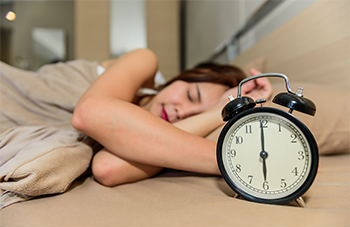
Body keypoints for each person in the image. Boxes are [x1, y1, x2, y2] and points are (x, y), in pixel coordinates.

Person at [71, 48, 273, 187]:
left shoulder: (151, 138)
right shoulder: (144, 59)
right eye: (190, 95)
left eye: (196, 117)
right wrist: (240, 161)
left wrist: (217, 114)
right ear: (183, 77)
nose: (183, 113)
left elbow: (107, 168)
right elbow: (89, 113)